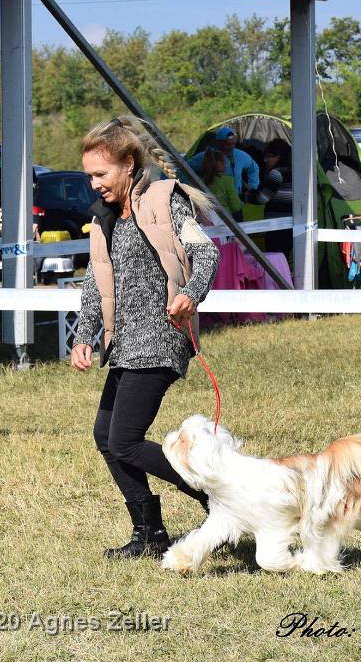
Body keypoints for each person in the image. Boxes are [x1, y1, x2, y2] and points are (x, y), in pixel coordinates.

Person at [71, 115, 220, 559]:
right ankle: (149, 533)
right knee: (106, 436)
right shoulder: (103, 219)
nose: (94, 183)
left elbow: (205, 251)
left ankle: (218, 502)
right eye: (89, 176)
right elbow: (95, 282)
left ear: (129, 165)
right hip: (124, 344)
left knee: (125, 441)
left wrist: (191, 295)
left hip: (160, 338)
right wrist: (84, 334)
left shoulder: (163, 201)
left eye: (101, 174)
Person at [248, 138, 294, 255]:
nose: (265, 160)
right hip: (290, 224)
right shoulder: (293, 172)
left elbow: (263, 198)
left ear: (278, 156)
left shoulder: (276, 173)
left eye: (269, 156)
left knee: (274, 258)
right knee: (284, 258)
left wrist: (247, 196)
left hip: (275, 225)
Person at [187, 126, 259, 198]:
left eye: (233, 144)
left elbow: (253, 169)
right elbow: (184, 169)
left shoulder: (240, 156)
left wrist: (252, 187)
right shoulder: (205, 156)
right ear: (218, 143)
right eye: (227, 144)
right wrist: (190, 188)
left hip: (233, 201)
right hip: (210, 201)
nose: (231, 147)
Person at [200, 146, 242, 221]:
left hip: (207, 220)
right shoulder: (228, 180)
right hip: (225, 221)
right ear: (220, 164)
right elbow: (236, 206)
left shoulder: (201, 181)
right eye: (225, 162)